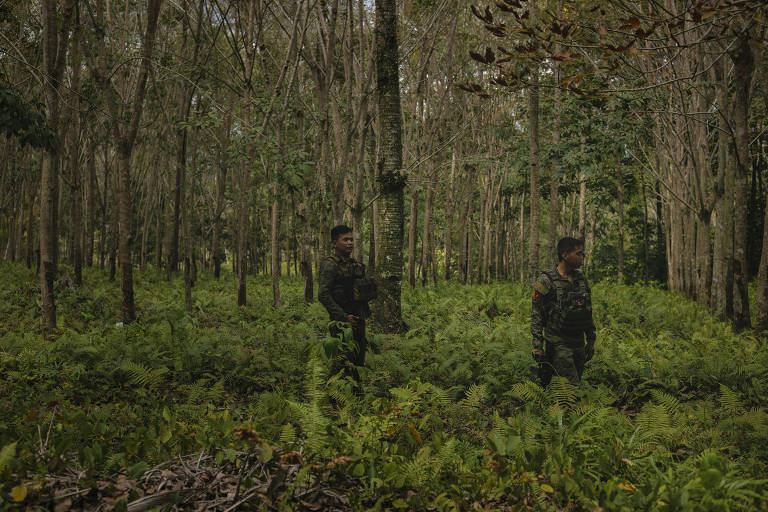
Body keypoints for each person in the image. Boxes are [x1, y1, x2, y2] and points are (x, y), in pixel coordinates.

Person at [530, 237, 596, 386]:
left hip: (578, 342)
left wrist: (591, 339)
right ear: (565, 255)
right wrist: (537, 345)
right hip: (558, 343)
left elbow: (587, 312)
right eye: (578, 254)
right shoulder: (546, 281)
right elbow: (536, 315)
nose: (582, 257)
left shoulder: (582, 280)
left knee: (572, 383)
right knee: (572, 387)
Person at [318, 225, 376, 384]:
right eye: (345, 240)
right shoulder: (330, 264)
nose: (350, 243)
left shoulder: (355, 264)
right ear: (335, 243)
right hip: (341, 321)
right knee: (341, 360)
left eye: (351, 239)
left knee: (358, 359)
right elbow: (323, 294)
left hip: (358, 317)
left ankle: (356, 394)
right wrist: (343, 317)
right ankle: (331, 393)